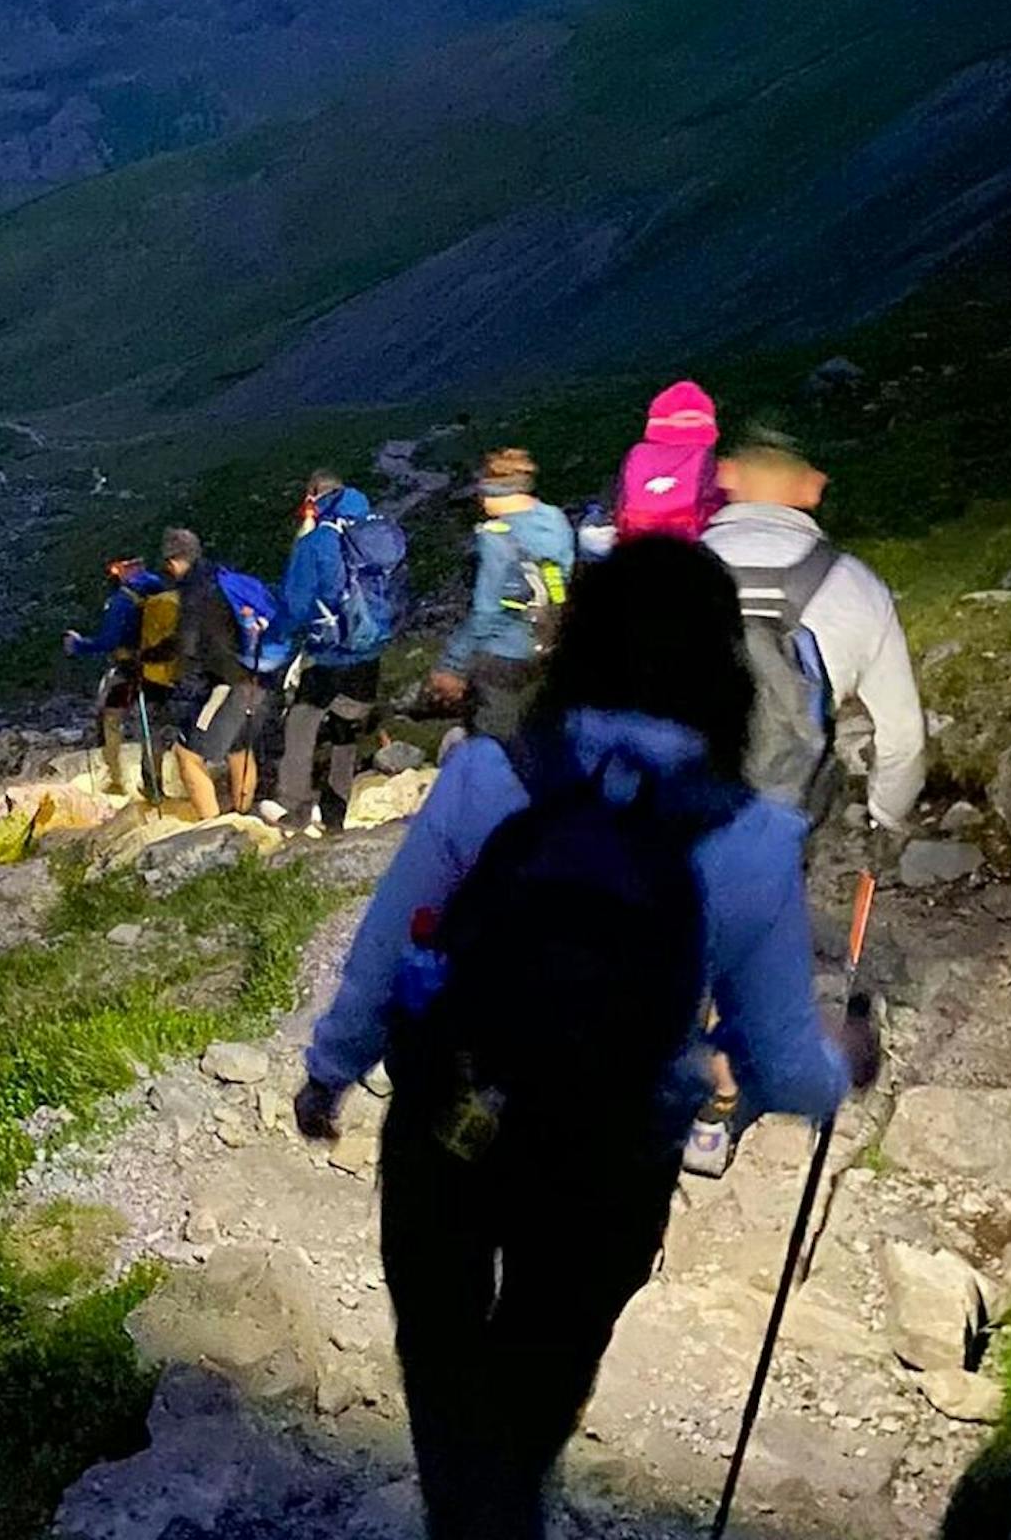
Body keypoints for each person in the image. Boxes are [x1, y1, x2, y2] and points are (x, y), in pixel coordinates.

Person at [296, 539, 879, 1540]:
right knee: (532, 1387)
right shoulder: (748, 838)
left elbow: (384, 948)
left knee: (442, 1373)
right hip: (609, 1157)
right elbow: (783, 1066)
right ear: (721, 666)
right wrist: (846, 1063)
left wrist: (328, 1073)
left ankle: (467, 1512)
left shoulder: (489, 775)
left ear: (577, 645)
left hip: (450, 1120)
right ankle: (506, 1498)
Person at [702, 432, 925, 843]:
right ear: (813, 486)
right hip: (786, 811)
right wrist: (885, 814)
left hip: (675, 817)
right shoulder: (855, 584)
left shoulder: (656, 574)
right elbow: (904, 735)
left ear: (726, 474)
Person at [266, 470, 388, 836]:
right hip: (370, 650)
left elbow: (294, 604)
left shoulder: (316, 542)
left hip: (329, 652)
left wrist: (275, 639)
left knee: (301, 722)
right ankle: (335, 815)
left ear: (314, 497)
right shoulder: (376, 533)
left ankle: (295, 807)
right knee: (345, 731)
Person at [429, 448, 576, 742]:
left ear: (497, 493)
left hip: (503, 653)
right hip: (547, 643)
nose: (482, 503)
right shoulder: (555, 519)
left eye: (483, 495)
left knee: (494, 738)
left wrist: (452, 664)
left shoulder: (497, 535)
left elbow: (486, 611)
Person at [161, 527, 268, 821]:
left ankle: (212, 830)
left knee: (188, 755)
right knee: (240, 750)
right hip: (258, 676)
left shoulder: (194, 590)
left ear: (172, 561)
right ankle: (243, 820)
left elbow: (188, 644)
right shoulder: (222, 578)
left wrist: (161, 662)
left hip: (225, 684)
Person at [63, 557, 179, 797]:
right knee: (153, 726)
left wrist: (78, 645)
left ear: (120, 569)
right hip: (159, 668)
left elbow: (109, 640)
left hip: (129, 668)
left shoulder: (122, 600)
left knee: (110, 718)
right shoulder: (160, 589)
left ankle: (116, 779)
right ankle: (153, 781)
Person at [613, 378, 726, 542]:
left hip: (636, 542)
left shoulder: (637, 454)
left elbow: (619, 502)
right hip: (691, 544)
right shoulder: (707, 456)